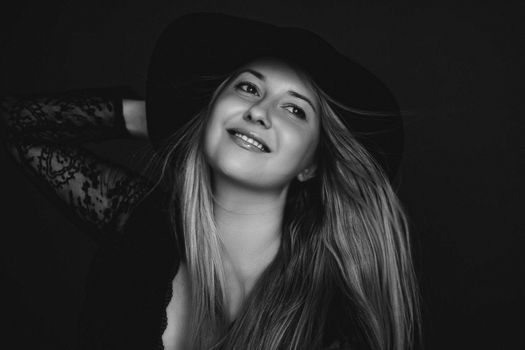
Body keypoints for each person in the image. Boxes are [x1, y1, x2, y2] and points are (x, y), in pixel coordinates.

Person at [0, 12, 421, 350]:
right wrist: (156, 114)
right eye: (248, 87)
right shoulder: (142, 229)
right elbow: (15, 128)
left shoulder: (333, 321)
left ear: (311, 165)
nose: (259, 111)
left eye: (295, 110)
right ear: (212, 107)